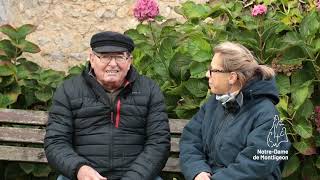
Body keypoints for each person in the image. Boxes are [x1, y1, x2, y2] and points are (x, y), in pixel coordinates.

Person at [44, 31, 170, 180]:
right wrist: (79, 169)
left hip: (138, 175)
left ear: (129, 61)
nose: (113, 64)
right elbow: (56, 141)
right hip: (83, 175)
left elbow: (159, 142)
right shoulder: (69, 90)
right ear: (92, 58)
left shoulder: (149, 90)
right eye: (105, 56)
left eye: (119, 57)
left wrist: (134, 177)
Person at [179, 42, 290, 180]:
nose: (208, 74)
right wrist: (198, 171)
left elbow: (257, 165)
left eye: (213, 70)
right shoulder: (214, 103)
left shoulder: (266, 114)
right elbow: (191, 139)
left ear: (232, 77)